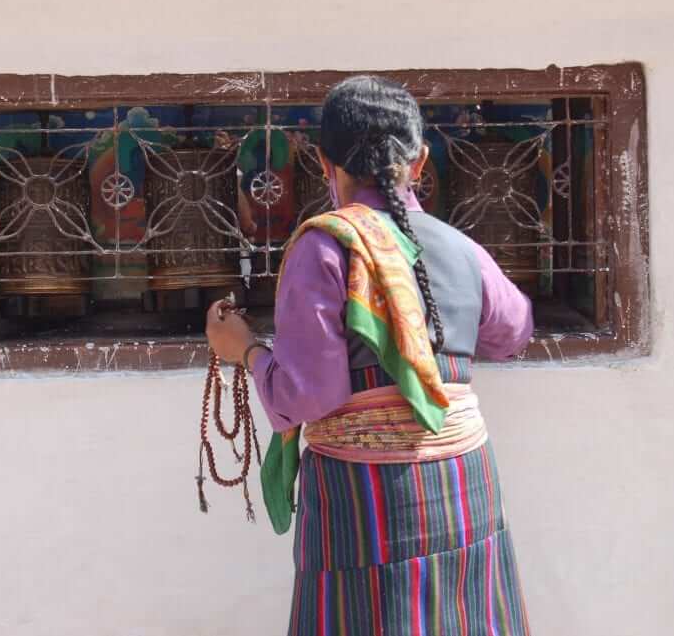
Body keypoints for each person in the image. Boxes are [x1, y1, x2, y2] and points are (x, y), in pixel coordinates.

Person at [206, 75, 533, 636]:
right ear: (420, 161)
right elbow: (513, 331)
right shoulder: (458, 247)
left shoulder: (324, 248)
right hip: (463, 487)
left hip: (369, 504)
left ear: (324, 163)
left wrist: (245, 351)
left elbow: (308, 394)